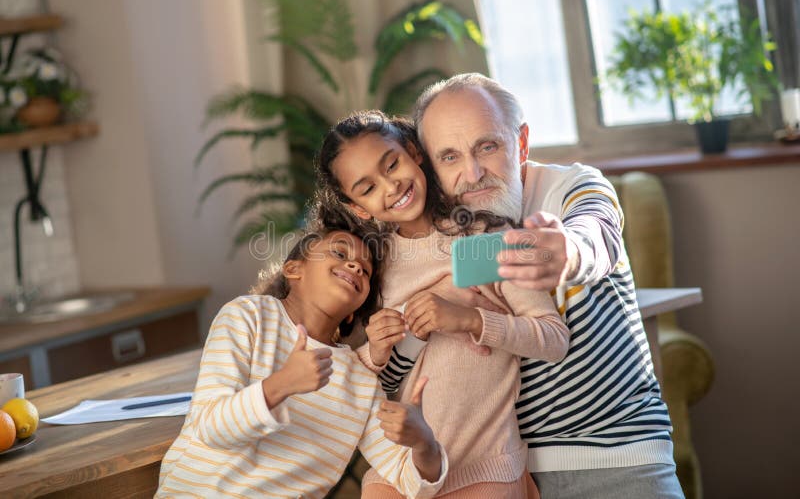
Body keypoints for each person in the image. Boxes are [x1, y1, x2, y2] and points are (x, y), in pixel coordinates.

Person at [375, 72, 683, 499]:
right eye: (449, 157)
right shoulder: (434, 235)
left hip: (618, 458)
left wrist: (565, 253)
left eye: (488, 146)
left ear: (520, 143)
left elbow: (598, 234)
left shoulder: (570, 186)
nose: (473, 172)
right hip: (503, 474)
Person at [316, 110, 570, 498]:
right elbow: (369, 387)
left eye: (392, 164)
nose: (391, 186)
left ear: (414, 151)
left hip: (484, 471)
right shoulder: (373, 265)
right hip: (398, 476)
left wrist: (470, 320)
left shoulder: (482, 239)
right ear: (357, 208)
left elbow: (553, 339)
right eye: (367, 188)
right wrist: (377, 350)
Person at [155, 207, 448, 498]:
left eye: (365, 270)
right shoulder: (247, 316)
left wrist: (424, 444)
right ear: (294, 269)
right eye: (340, 254)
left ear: (354, 312)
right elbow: (211, 428)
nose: (357, 267)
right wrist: (281, 385)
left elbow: (411, 481)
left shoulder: (360, 383)